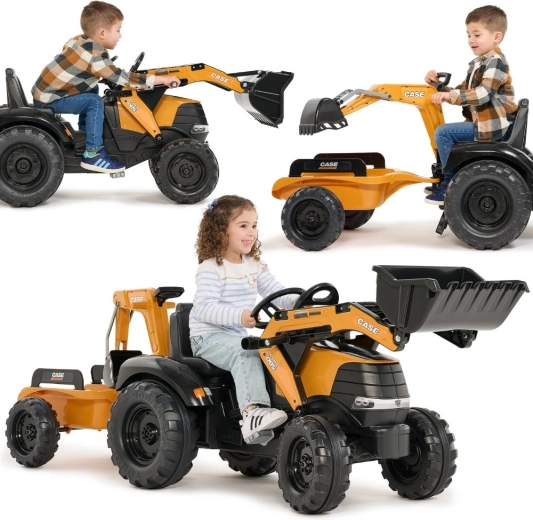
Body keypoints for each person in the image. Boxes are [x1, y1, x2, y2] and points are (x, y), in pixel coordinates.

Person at [189, 195, 297, 445]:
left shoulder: (254, 265)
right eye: (243, 225)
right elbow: (204, 308)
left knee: (274, 352)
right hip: (207, 338)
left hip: (235, 337)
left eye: (254, 225)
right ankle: (253, 412)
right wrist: (239, 316)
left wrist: (301, 301)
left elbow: (276, 292)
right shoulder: (210, 268)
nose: (251, 232)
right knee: (246, 353)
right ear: (221, 231)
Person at [31, 1, 180, 174]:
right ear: (102, 33)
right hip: (50, 99)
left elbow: (82, 65)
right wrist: (162, 80)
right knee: (94, 101)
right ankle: (93, 153)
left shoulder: (79, 40)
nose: (120, 35)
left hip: (45, 92)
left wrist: (101, 71)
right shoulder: (96, 56)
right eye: (118, 30)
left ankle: (87, 134)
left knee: (92, 88)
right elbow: (124, 78)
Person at [424, 5, 517, 205]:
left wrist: (450, 96)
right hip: (482, 125)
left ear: (496, 37)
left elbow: (483, 94)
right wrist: (437, 86)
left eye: (477, 34)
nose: (471, 40)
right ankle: (449, 178)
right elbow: (463, 91)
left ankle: (450, 183)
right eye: (468, 35)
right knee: (445, 132)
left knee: (443, 133)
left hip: (491, 128)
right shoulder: (479, 64)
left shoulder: (496, 62)